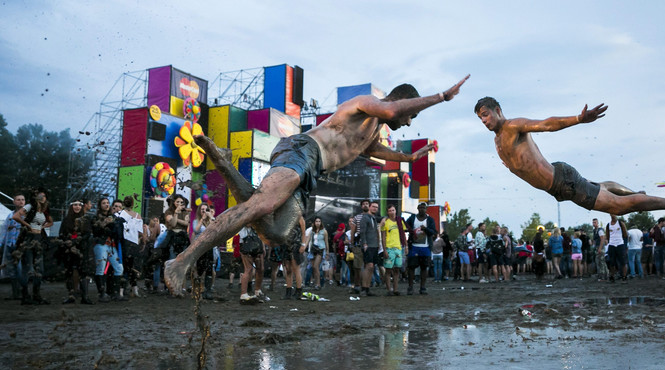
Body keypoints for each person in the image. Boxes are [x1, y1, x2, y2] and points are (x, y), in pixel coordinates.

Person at [165, 76, 470, 293]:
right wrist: (441, 97)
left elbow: (376, 150)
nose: (408, 122)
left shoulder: (373, 130)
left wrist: (410, 155)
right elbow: (392, 112)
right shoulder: (367, 104)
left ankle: (223, 162)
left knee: (275, 232)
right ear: (403, 104)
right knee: (261, 205)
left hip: (312, 172)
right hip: (303, 150)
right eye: (411, 114)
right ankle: (181, 261)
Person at [474, 98, 665, 217]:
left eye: (486, 114)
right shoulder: (497, 142)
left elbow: (546, 124)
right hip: (558, 186)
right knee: (602, 187)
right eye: (480, 118)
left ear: (498, 110)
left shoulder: (513, 126)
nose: (484, 121)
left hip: (563, 181)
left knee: (617, 209)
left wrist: (578, 118)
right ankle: (634, 193)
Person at [13, 189, 53, 305]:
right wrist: (28, 226)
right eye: (40, 195)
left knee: (39, 268)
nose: (43, 197)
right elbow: (16, 216)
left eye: (44, 195)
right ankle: (25, 295)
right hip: (29, 238)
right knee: (28, 268)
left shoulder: (44, 210)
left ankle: (36, 295)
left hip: (39, 238)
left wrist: (43, 226)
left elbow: (50, 222)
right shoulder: (30, 206)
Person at [91, 198, 125, 302]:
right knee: (101, 267)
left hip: (111, 245)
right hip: (101, 244)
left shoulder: (113, 217)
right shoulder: (96, 217)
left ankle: (114, 293)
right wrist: (104, 224)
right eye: (104, 203)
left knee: (119, 268)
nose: (106, 205)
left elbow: (116, 232)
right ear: (100, 205)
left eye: (107, 203)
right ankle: (101, 293)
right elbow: (95, 231)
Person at [59, 200, 91, 304]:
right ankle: (71, 295)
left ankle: (84, 296)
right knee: (69, 271)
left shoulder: (85, 219)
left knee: (83, 271)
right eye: (75, 205)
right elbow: (62, 233)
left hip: (81, 248)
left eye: (79, 205)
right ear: (71, 206)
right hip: (69, 249)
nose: (77, 207)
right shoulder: (66, 220)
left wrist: (78, 240)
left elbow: (87, 233)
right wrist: (68, 241)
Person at [405, 202, 437, 295]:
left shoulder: (430, 220)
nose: (422, 209)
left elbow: (433, 232)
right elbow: (405, 226)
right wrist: (411, 231)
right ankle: (410, 287)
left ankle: (422, 287)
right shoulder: (412, 218)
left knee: (424, 267)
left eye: (424, 208)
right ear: (417, 208)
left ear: (426, 209)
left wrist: (425, 229)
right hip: (414, 247)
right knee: (411, 267)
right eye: (420, 207)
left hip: (426, 247)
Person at [117, 196, 144, 297]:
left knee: (125, 267)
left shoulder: (119, 214)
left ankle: (122, 290)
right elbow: (141, 233)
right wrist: (143, 242)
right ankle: (134, 290)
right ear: (133, 204)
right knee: (132, 268)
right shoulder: (137, 216)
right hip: (133, 244)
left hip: (125, 243)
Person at [1, 193, 25, 300]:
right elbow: (4, 230)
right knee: (11, 269)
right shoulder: (10, 215)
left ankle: (22, 292)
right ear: (14, 202)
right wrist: (1, 244)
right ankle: (15, 293)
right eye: (18, 199)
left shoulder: (27, 215)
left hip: (21, 245)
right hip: (10, 244)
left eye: (22, 199)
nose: (21, 201)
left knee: (20, 268)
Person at [380, 204, 407, 295]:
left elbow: (403, 235)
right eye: (390, 210)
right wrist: (384, 250)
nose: (392, 212)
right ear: (387, 212)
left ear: (396, 211)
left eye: (393, 210)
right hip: (389, 248)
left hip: (398, 248)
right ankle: (389, 289)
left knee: (397, 270)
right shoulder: (385, 222)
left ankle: (395, 289)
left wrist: (406, 246)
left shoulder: (399, 221)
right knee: (388, 270)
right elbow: (383, 237)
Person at [192, 203, 216, 299]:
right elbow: (196, 230)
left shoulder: (210, 221)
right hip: (200, 247)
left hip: (209, 247)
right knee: (199, 268)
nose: (204, 211)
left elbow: (215, 229)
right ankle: (198, 289)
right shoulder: (196, 221)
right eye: (202, 209)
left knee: (209, 268)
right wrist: (202, 219)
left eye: (206, 209)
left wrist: (210, 217)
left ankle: (208, 290)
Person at [359, 201, 381, 296]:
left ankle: (367, 288)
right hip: (368, 245)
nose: (375, 208)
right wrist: (364, 243)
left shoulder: (374, 218)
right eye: (373, 207)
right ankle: (364, 288)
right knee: (369, 266)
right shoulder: (365, 218)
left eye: (376, 207)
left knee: (371, 268)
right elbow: (362, 232)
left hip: (374, 245)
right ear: (369, 207)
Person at [305, 217, 329, 290]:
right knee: (314, 268)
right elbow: (307, 240)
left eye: (319, 221)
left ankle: (318, 284)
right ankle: (316, 283)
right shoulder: (312, 231)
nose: (318, 223)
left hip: (320, 249)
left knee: (316, 266)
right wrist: (304, 247)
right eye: (316, 221)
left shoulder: (324, 231)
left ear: (321, 222)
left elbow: (326, 242)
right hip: (313, 250)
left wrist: (327, 252)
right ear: (314, 222)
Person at [605, 214, 628, 282]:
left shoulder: (620, 223)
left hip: (620, 244)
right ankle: (612, 276)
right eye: (612, 214)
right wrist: (610, 241)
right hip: (612, 244)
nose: (613, 215)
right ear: (610, 215)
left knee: (623, 262)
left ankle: (624, 276)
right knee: (611, 262)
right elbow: (607, 235)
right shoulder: (608, 225)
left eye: (614, 214)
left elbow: (625, 234)